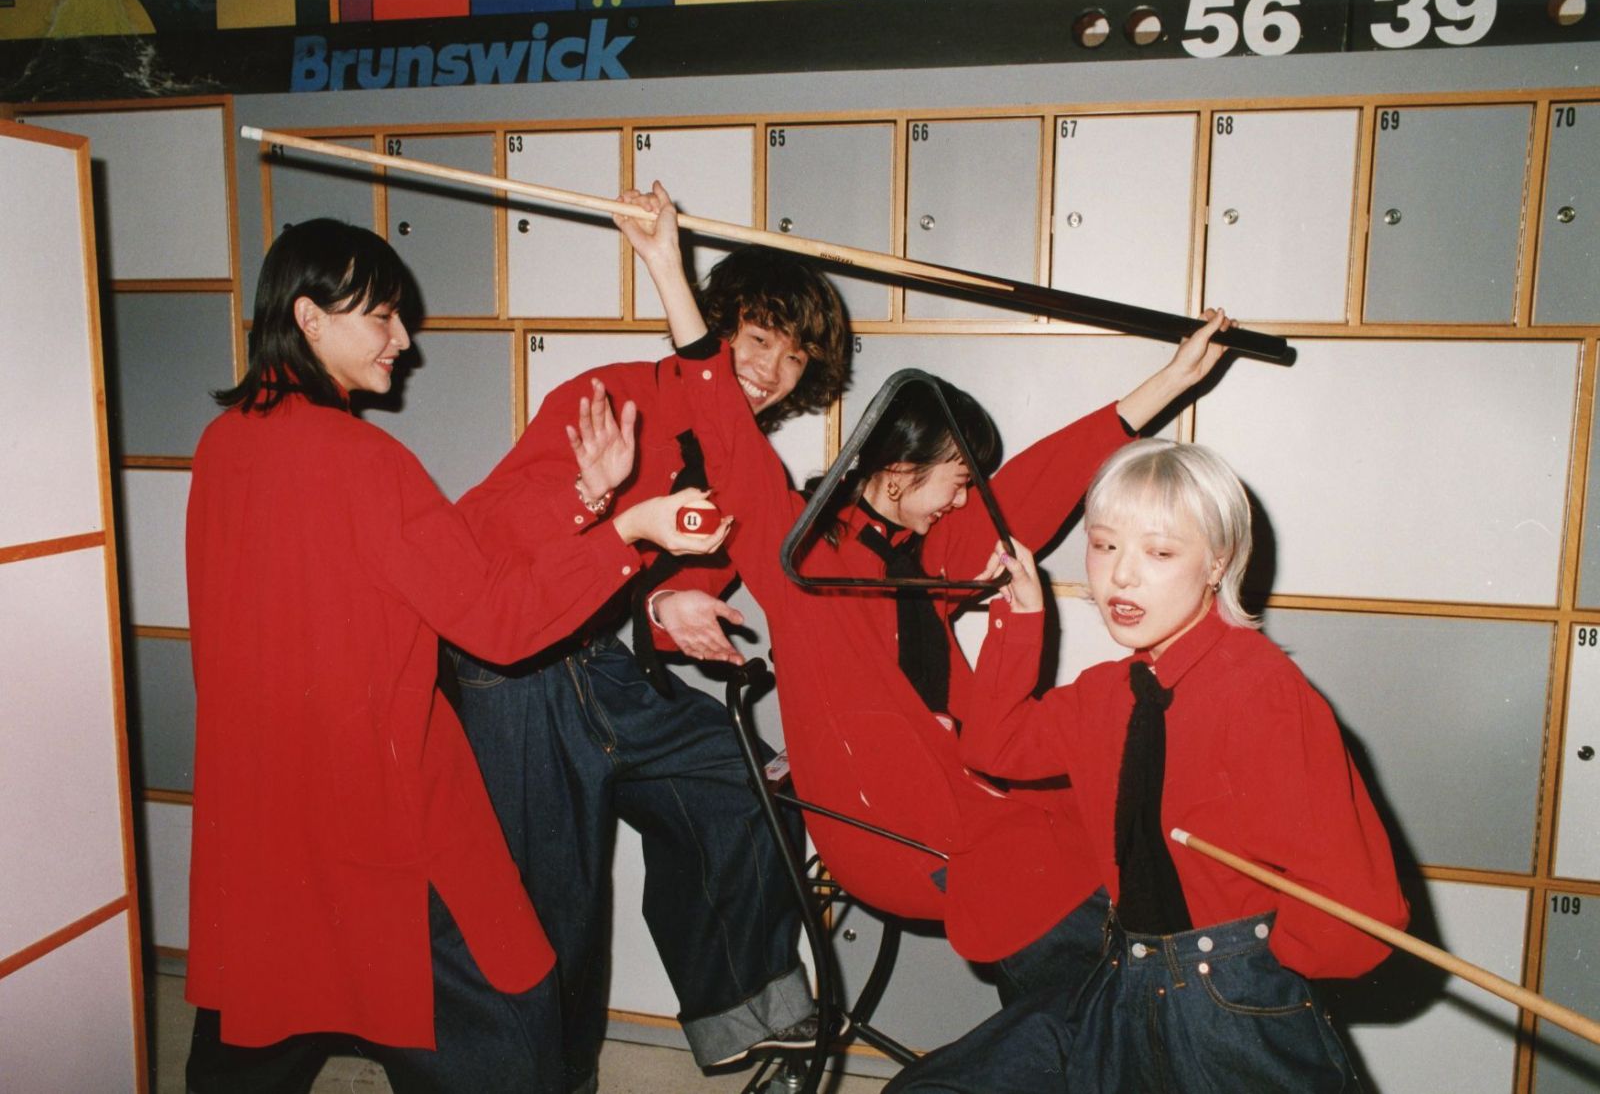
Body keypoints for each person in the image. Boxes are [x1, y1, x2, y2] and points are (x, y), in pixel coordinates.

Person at [617, 183, 1239, 1006]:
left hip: (972, 800)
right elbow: (726, 431)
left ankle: (1092, 1037)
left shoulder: (923, 553)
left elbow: (1035, 487)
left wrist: (1168, 382)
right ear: (900, 465)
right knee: (1092, 947)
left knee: (1128, 859)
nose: (963, 499)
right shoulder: (805, 555)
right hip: (893, 827)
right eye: (956, 478)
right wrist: (667, 267)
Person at [184, 218, 722, 1093]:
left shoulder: (225, 443)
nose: (404, 339)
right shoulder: (365, 460)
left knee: (264, 1013)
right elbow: (498, 621)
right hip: (383, 807)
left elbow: (442, 565)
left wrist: (586, 495)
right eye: (382, 316)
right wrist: (629, 529)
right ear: (309, 318)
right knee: (509, 1023)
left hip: (267, 806)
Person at [448, 184, 852, 1089]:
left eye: (795, 357)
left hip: (599, 663)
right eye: (759, 338)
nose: (774, 369)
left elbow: (766, 569)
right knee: (553, 903)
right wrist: (597, 501)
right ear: (719, 324)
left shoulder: (750, 457)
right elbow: (491, 547)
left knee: (743, 783)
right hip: (510, 666)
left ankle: (746, 1010)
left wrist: (670, 600)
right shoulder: (612, 399)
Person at [884, 440, 1409, 1092]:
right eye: (1104, 545)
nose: (1121, 576)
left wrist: (1255, 967)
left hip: (1234, 1003)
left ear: (1218, 561)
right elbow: (996, 746)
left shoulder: (1262, 690)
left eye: (1159, 553)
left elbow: (1357, 909)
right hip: (1126, 980)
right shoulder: (1110, 693)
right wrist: (1020, 616)